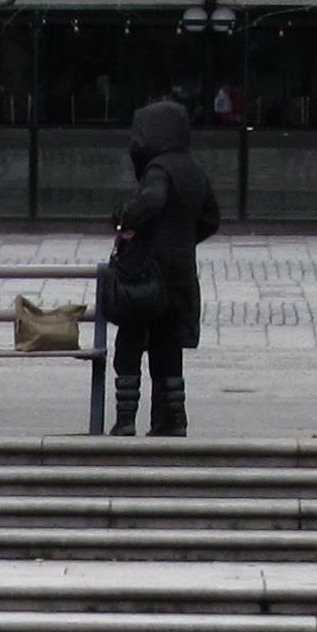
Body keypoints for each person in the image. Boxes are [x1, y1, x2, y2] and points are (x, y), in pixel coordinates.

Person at [107, 100, 223, 438]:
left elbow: (152, 200)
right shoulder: (193, 169)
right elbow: (211, 219)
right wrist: (183, 239)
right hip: (180, 274)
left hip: (148, 273)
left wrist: (124, 219)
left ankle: (125, 418)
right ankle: (172, 418)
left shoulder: (159, 168)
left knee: (130, 342)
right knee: (168, 346)